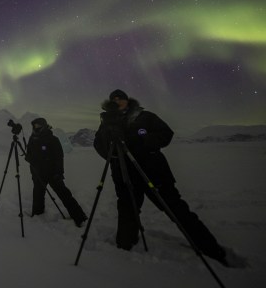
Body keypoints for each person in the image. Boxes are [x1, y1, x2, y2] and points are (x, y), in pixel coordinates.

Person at [93, 89, 228, 265]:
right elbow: (98, 145)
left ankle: (210, 248)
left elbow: (166, 134)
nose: (117, 101)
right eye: (114, 99)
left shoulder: (144, 116)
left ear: (127, 101)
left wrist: (144, 141)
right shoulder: (107, 122)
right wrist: (112, 153)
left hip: (153, 172)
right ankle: (124, 246)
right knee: (127, 211)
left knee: (175, 209)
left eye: (121, 99)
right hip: (125, 175)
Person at [25, 117, 88, 227]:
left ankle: (80, 217)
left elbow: (59, 157)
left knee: (64, 194)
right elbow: (29, 154)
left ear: (44, 126)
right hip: (38, 173)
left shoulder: (53, 139)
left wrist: (59, 173)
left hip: (52, 173)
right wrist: (29, 158)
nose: (36, 128)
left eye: (38, 125)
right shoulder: (32, 139)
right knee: (38, 195)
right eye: (34, 126)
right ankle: (37, 214)